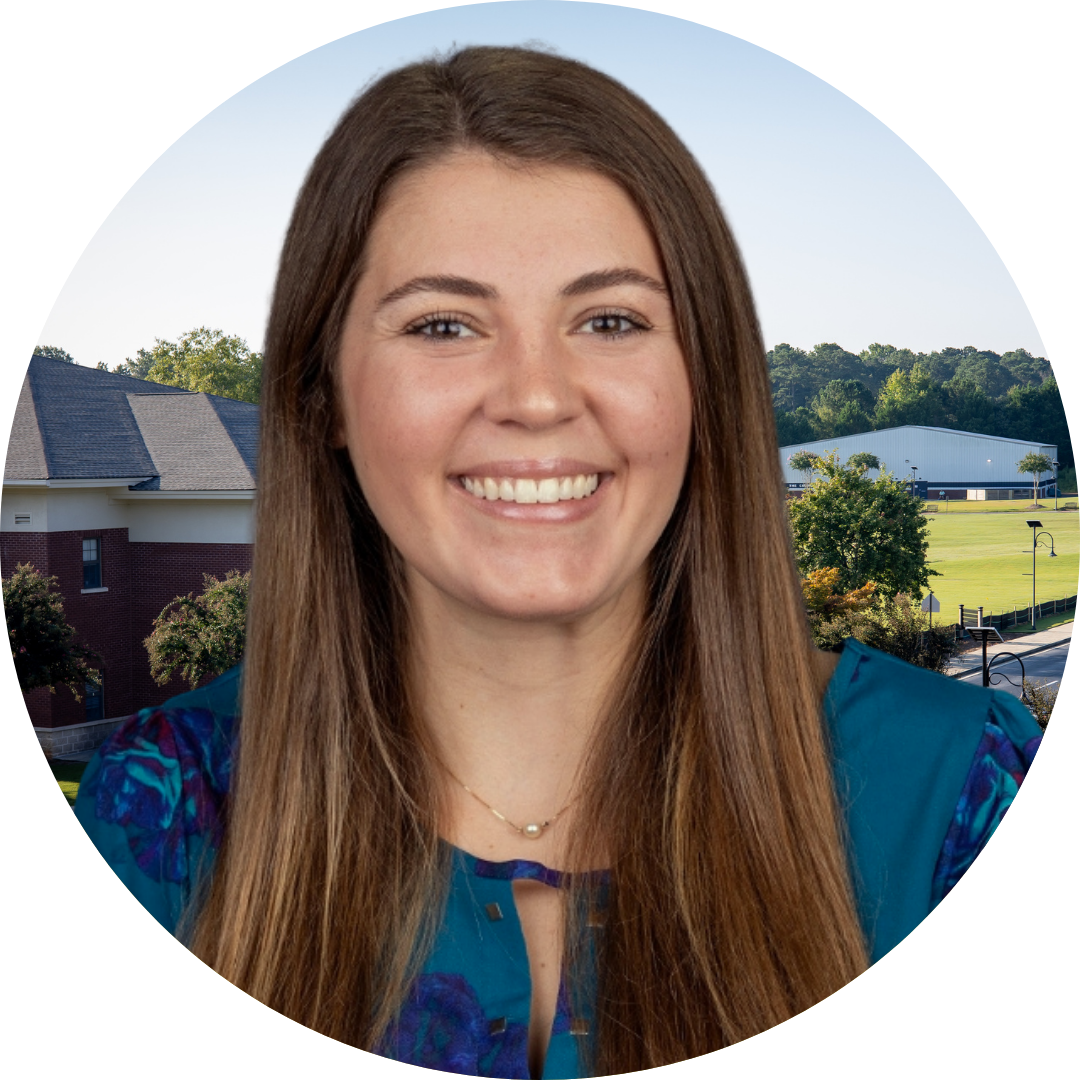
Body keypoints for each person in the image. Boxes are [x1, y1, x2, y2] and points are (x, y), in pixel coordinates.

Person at [73, 45, 1041, 1077]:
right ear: (324, 399)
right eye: (444, 324)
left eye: (611, 320)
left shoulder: (960, 795)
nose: (536, 397)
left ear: (704, 384)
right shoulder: (166, 815)